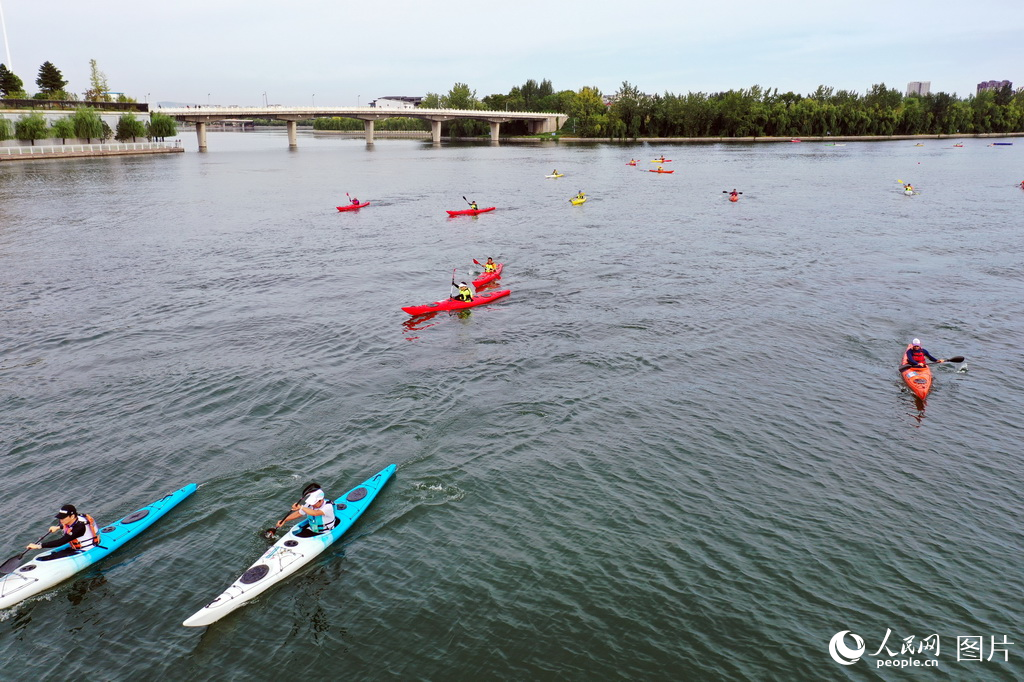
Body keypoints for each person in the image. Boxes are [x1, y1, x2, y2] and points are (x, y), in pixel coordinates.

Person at [27, 504, 100, 559]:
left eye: (63, 517)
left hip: (86, 549)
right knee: (50, 555)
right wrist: (58, 527)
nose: (61, 520)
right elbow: (71, 525)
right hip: (76, 547)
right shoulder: (78, 518)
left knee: (54, 557)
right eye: (60, 517)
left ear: (72, 516)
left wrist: (38, 546)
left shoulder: (80, 527)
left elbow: (61, 542)